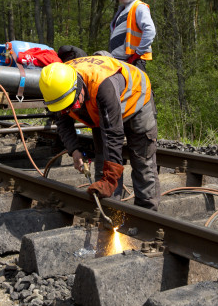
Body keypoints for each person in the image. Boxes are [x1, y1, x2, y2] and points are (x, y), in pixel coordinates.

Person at [39, 56, 159, 210]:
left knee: (142, 161)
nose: (71, 110)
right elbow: (62, 121)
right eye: (65, 108)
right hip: (102, 108)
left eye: (73, 104)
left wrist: (110, 179)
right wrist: (74, 150)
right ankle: (111, 212)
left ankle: (147, 217)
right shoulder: (57, 86)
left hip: (138, 98)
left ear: (78, 87)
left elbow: (113, 135)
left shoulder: (103, 87)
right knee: (103, 162)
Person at [108, 0, 156, 71]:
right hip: (120, 62)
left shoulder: (139, 7)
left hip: (133, 61)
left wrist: (137, 54)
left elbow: (150, 31)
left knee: (135, 86)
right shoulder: (123, 11)